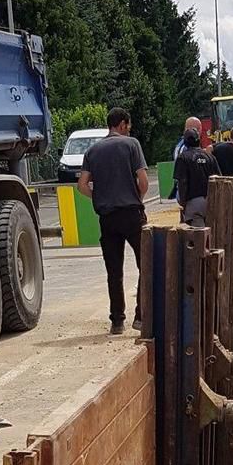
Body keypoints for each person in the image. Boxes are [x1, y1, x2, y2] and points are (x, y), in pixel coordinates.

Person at [77, 107, 149, 334]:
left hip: (107, 217)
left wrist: (98, 196)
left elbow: (82, 185)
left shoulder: (92, 151)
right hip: (131, 214)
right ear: (122, 124)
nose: (129, 129)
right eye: (128, 125)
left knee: (114, 271)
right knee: (145, 265)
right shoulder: (131, 145)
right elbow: (143, 180)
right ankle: (140, 317)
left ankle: (117, 321)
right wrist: (137, 197)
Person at [174, 127, 220, 227]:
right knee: (212, 234)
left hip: (193, 203)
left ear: (185, 142)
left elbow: (183, 182)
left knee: (199, 237)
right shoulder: (210, 157)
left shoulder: (183, 158)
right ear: (199, 140)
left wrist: (183, 203)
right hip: (212, 201)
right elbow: (219, 179)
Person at [168, 116, 203, 200]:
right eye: (198, 128)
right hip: (189, 191)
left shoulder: (180, 145)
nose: (200, 131)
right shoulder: (186, 148)